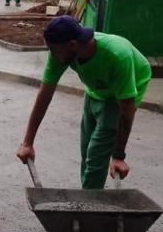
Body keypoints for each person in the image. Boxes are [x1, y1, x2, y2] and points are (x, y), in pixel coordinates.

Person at [16, 16, 151, 189]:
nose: (52, 54)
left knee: (95, 157)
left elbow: (126, 111)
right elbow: (45, 94)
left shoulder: (117, 56)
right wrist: (28, 142)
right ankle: (87, 199)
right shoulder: (62, 51)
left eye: (53, 49)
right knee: (86, 151)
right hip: (95, 89)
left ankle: (90, 209)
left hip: (122, 92)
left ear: (72, 45)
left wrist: (118, 156)